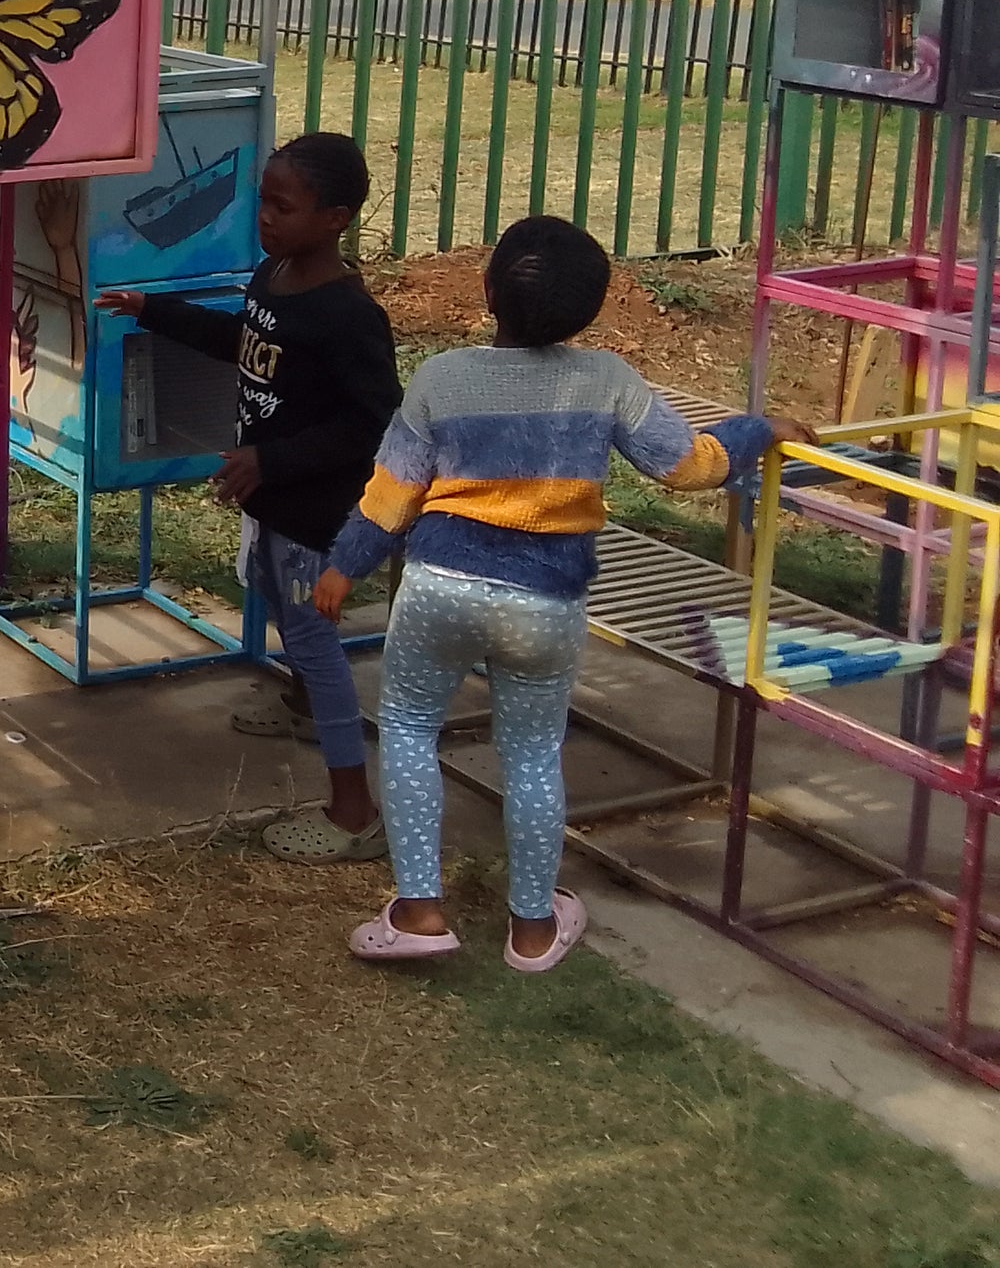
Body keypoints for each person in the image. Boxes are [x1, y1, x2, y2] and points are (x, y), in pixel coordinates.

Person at [318, 215, 800, 972]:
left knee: (409, 729)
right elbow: (692, 467)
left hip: (440, 587)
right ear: (592, 309)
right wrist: (757, 430)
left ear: (487, 291)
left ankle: (417, 912)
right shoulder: (606, 380)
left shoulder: (443, 377)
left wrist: (344, 567)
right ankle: (534, 929)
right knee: (534, 755)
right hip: (545, 604)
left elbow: (392, 494)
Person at [99, 133, 398, 863]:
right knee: (275, 600)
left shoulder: (348, 315)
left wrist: (273, 458)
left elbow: (373, 424)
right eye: (263, 200)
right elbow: (244, 343)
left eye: (282, 207)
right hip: (272, 495)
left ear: (335, 218)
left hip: (314, 508)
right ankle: (303, 705)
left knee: (313, 641)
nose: (264, 216)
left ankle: (354, 811)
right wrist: (152, 309)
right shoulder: (273, 275)